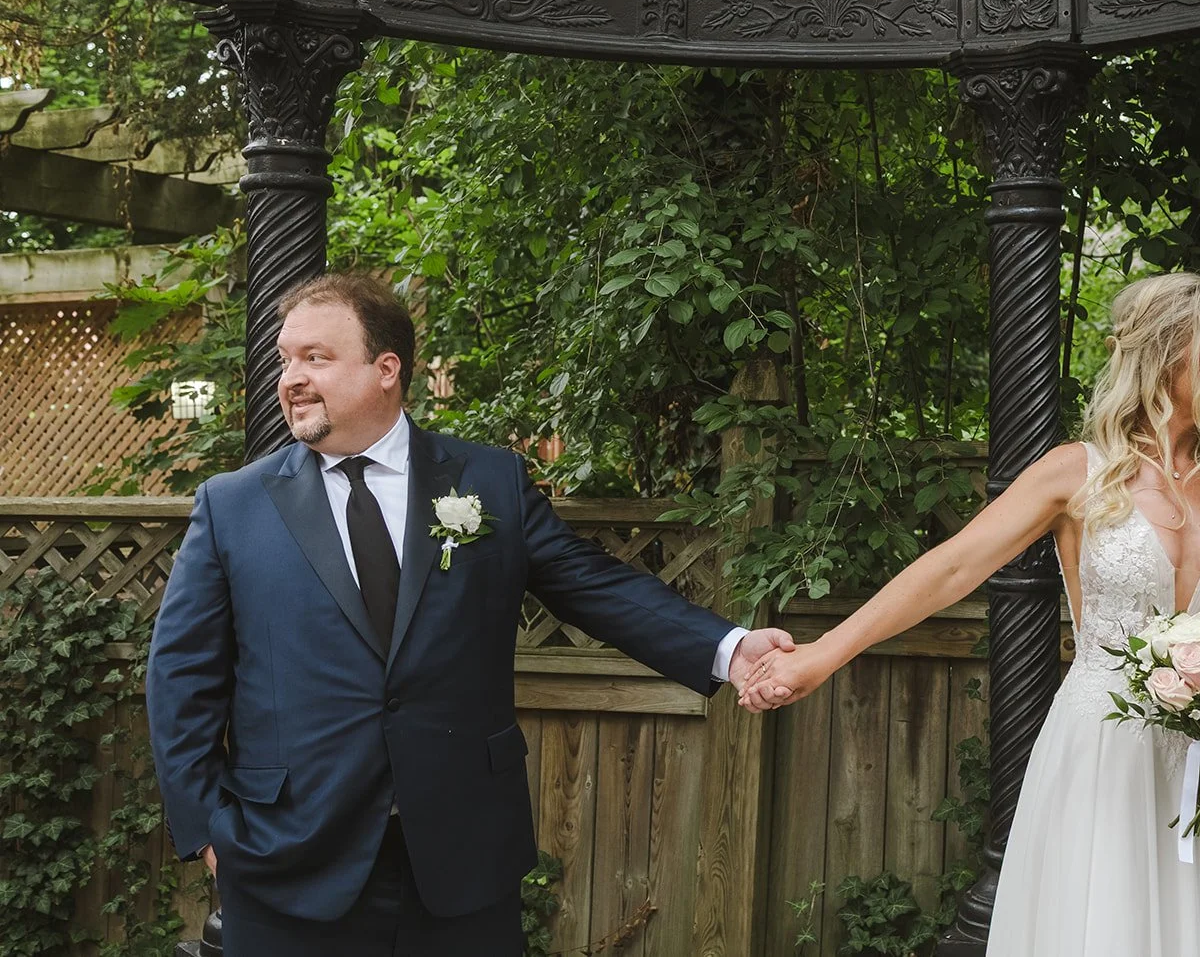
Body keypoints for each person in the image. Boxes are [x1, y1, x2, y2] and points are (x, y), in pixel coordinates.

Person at [146, 273, 792, 957]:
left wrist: (729, 648)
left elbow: (592, 586)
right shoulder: (233, 506)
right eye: (285, 359)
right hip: (287, 864)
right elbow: (180, 678)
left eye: (316, 357)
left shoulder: (487, 482)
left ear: (386, 368)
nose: (292, 378)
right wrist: (210, 832)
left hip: (462, 862)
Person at [741, 272, 1200, 955]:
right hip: (1100, 757)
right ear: (1168, 350)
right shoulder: (1077, 473)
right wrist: (820, 656)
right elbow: (952, 567)